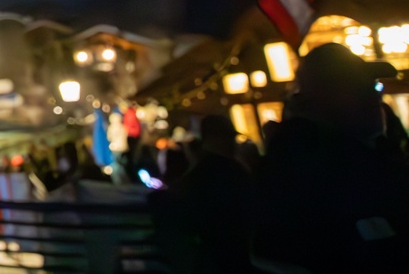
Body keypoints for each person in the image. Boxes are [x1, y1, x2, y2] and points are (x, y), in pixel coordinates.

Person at [251, 42, 409, 272]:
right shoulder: (307, 166)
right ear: (322, 96)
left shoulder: (363, 151)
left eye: (375, 86)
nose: (376, 98)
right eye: (360, 87)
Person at [150, 113, 255, 274]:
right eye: (228, 137)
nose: (233, 143)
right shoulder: (228, 171)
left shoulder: (199, 171)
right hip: (228, 257)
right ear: (216, 138)